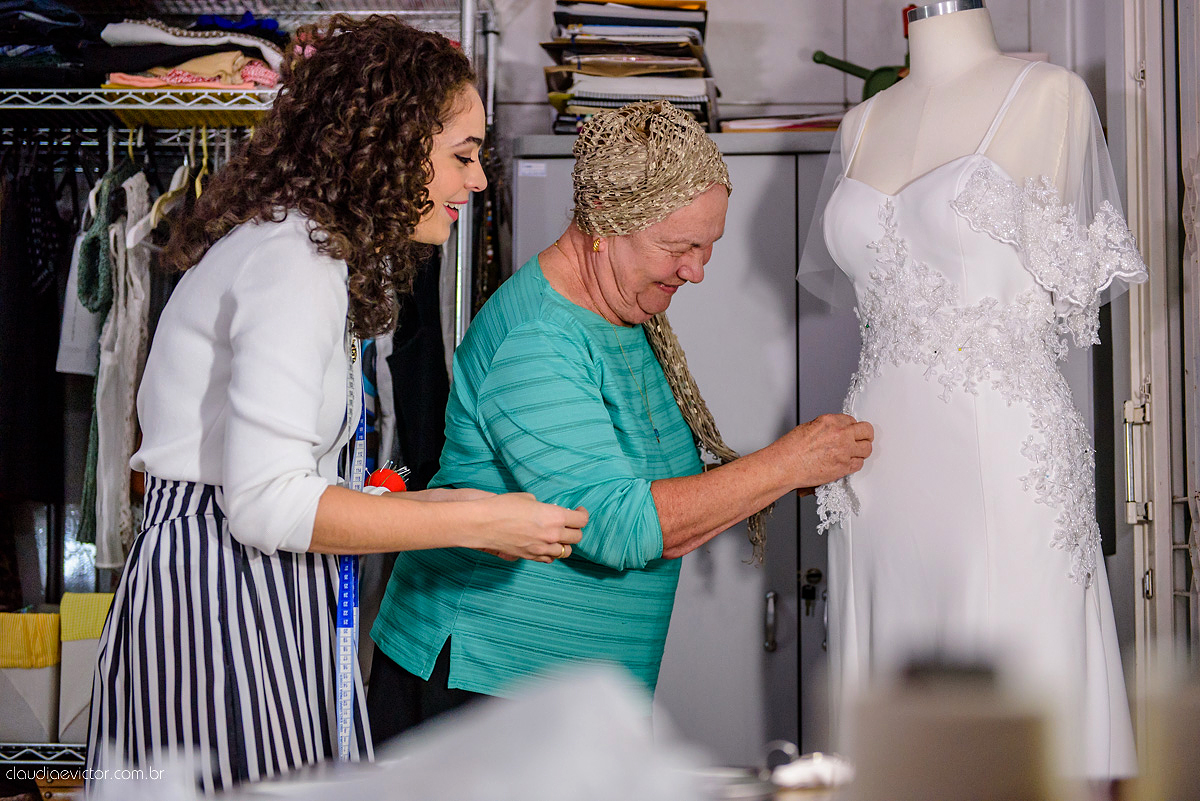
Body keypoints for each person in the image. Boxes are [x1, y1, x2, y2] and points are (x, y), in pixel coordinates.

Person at [86, 16, 586, 794]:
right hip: (221, 600)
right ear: (393, 145)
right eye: (462, 156)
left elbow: (285, 482)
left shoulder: (306, 251)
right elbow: (266, 504)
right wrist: (473, 520)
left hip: (251, 591)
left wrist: (451, 507)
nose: (478, 181)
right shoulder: (293, 262)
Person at [367, 100, 875, 741]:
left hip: (563, 689)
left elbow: (641, 488)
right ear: (605, 220)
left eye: (708, 247)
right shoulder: (539, 338)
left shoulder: (621, 313)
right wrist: (783, 464)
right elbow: (615, 525)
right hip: (484, 679)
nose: (696, 271)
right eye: (678, 247)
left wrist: (774, 476)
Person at [798, 2, 1144, 779]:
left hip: (1000, 461)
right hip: (877, 477)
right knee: (891, 713)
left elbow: (1071, 290)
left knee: (1008, 705)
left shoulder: (1049, 96)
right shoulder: (859, 125)